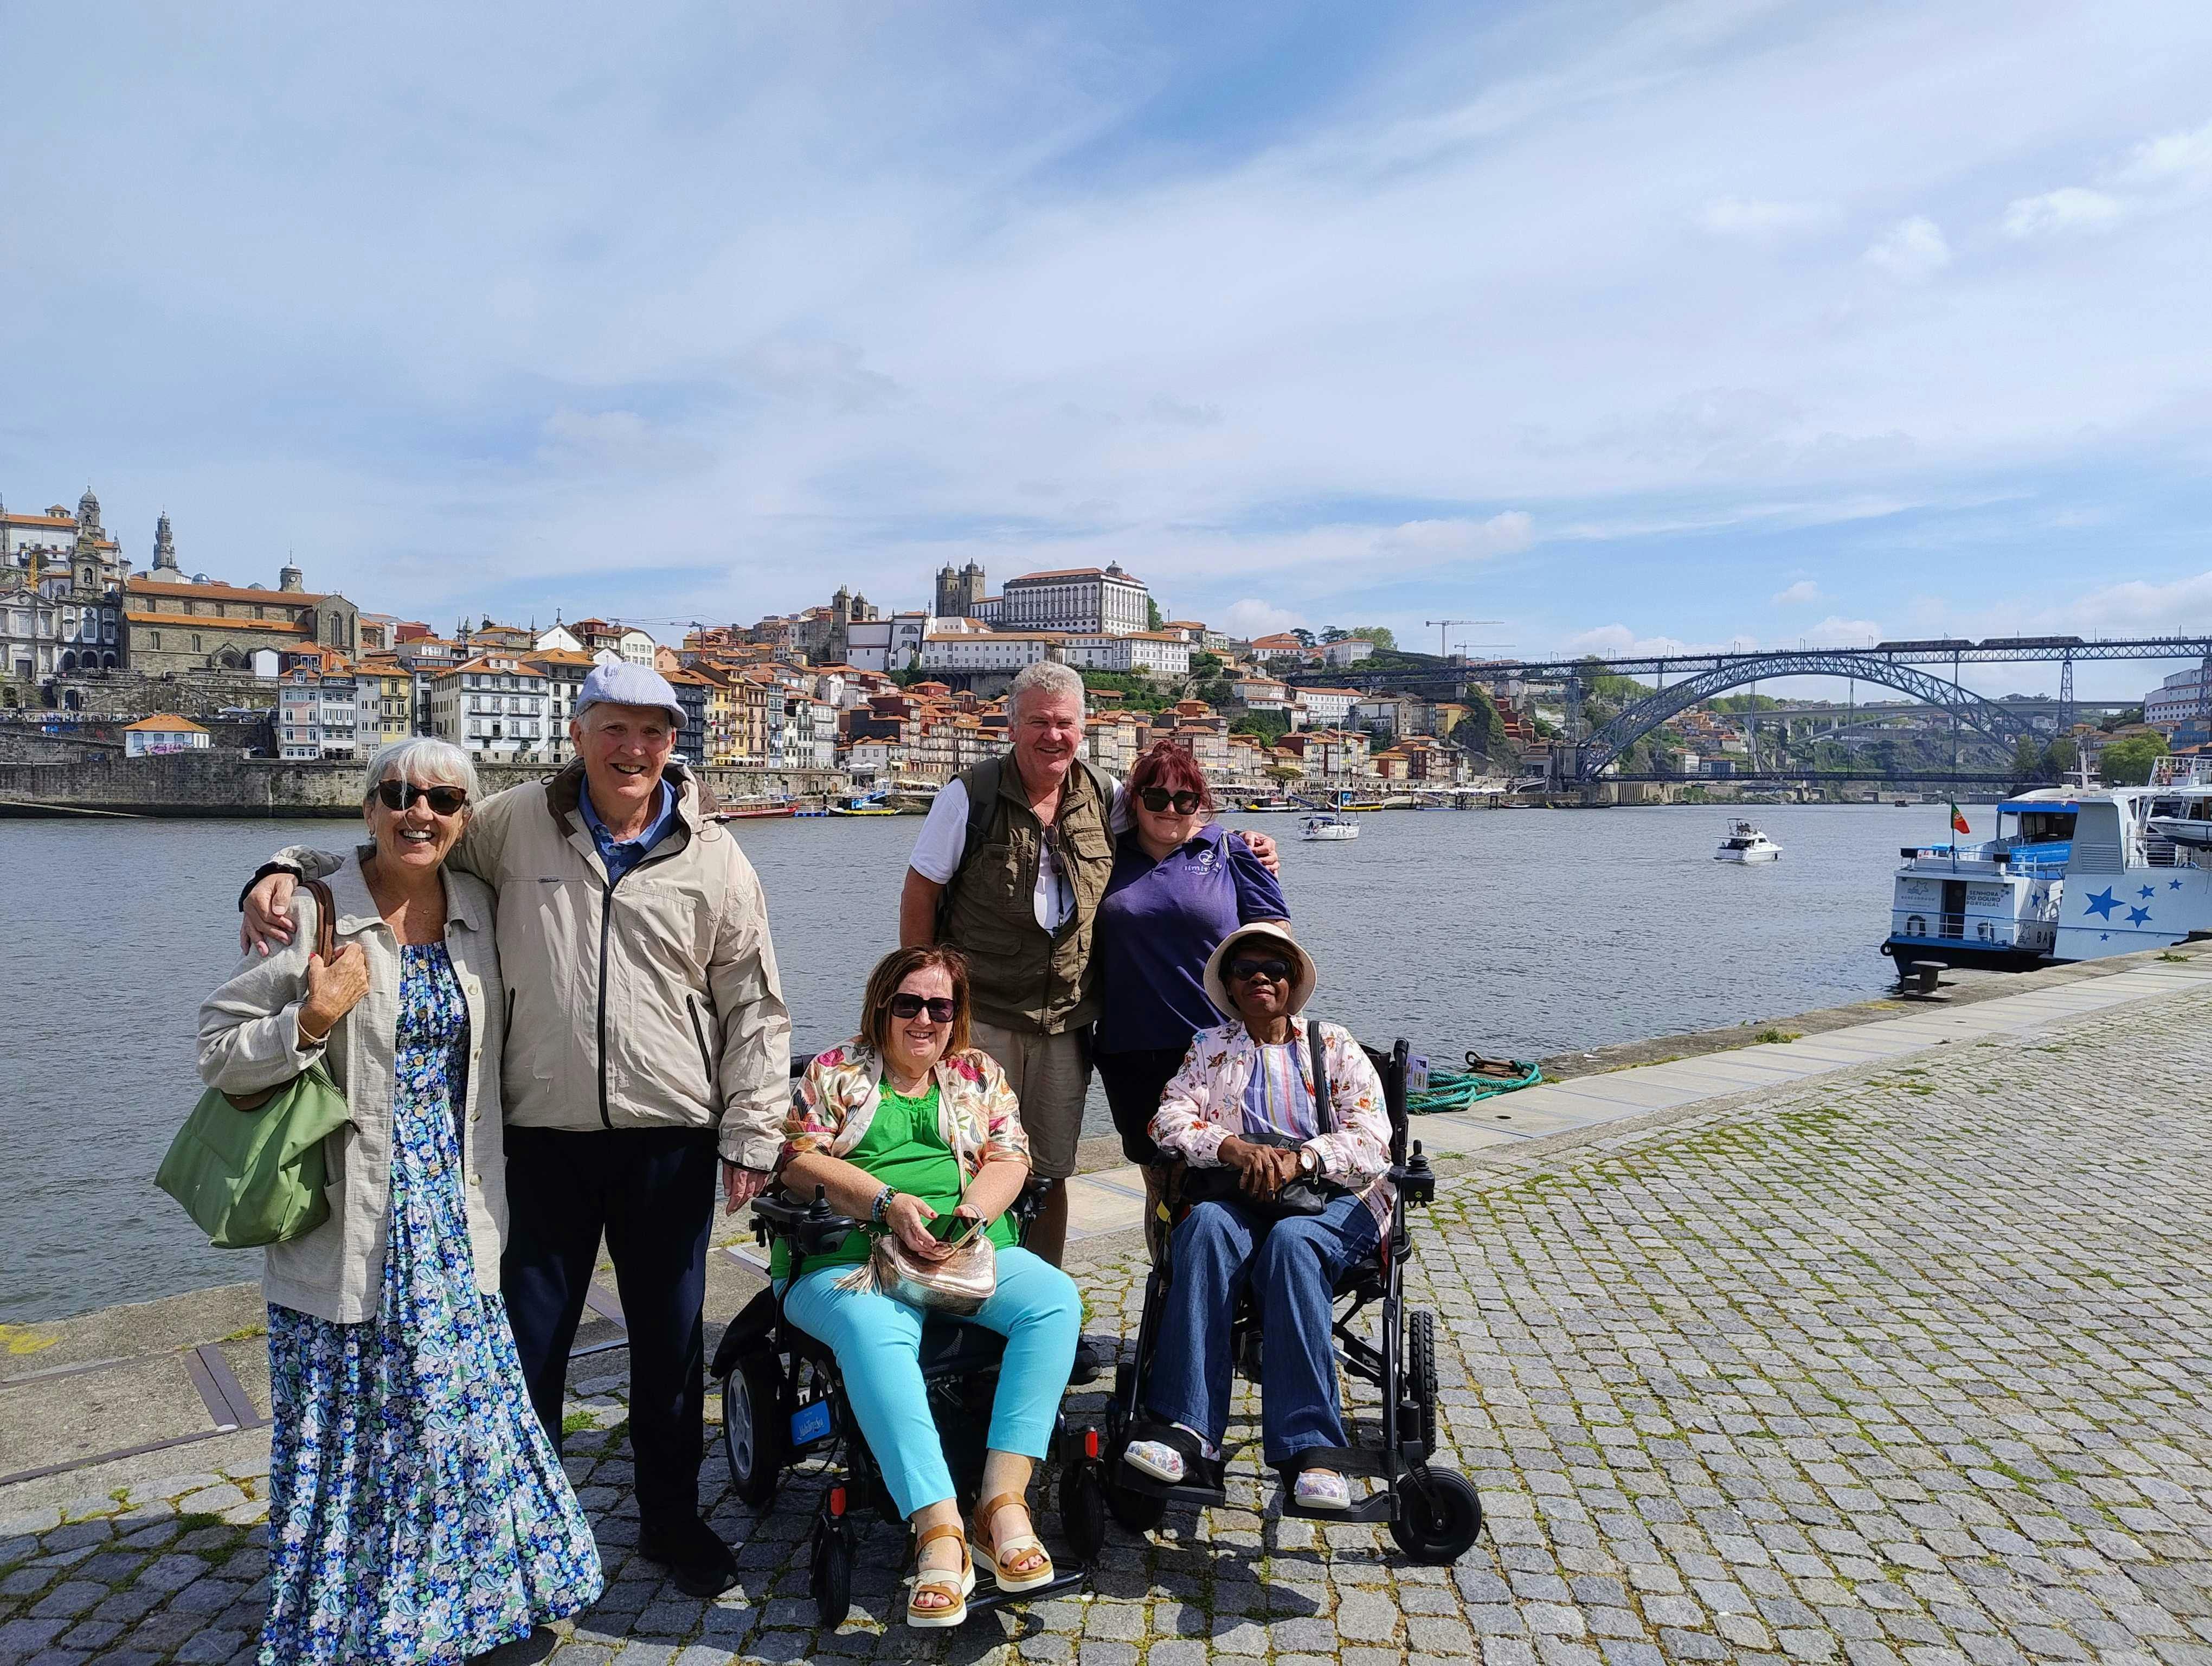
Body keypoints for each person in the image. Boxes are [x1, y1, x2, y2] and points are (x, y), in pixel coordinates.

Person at [237, 662, 789, 1599]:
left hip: (669, 1135)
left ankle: (671, 1519)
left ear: (672, 743)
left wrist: (752, 1130)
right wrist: (283, 870)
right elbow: (406, 843)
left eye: (652, 732)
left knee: (668, 1346)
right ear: (579, 734)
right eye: (615, 728)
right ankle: (517, 1540)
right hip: (537, 1136)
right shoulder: (512, 822)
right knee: (526, 1348)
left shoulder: (716, 856)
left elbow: (755, 1003)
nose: (633, 749)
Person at [199, 739, 602, 1664]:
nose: (420, 812)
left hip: (456, 1215)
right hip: (351, 1217)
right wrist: (309, 1018)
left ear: (465, 818)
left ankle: (477, 1607)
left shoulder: (480, 908)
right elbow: (217, 1047)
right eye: (398, 793)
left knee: (461, 1419)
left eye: (443, 799)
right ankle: (358, 1621)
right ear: (369, 807)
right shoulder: (314, 911)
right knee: (353, 1427)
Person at [898, 661, 1278, 1268]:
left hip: (1068, 1019)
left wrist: (1242, 844)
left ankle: (1041, 1299)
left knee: (1049, 1172)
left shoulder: (1104, 795)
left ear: (1083, 728)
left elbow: (1170, 818)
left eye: (1065, 723)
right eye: (1038, 722)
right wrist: (924, 1000)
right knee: (969, 1162)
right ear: (1011, 726)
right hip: (984, 1014)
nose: (1053, 736)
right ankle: (959, 1290)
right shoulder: (969, 796)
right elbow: (921, 891)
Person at [777, 945, 1081, 1629]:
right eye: (908, 1004)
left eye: (940, 1007)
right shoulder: (837, 1071)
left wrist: (970, 1216)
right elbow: (797, 1160)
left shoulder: (977, 1073)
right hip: (847, 1255)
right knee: (874, 1331)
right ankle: (938, 1528)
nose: (924, 1019)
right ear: (882, 1006)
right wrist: (886, 1204)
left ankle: (1002, 1503)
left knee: (1055, 1301)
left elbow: (1011, 1157)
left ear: (957, 1014)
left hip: (960, 1250)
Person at [1124, 922, 1393, 1513]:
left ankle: (1312, 1449)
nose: (1260, 979)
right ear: (1229, 984)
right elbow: (1167, 1119)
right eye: (1245, 970)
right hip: (1243, 1194)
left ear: (1293, 981)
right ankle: (1186, 1428)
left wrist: (1303, 1159)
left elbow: (1375, 1139)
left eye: (1274, 968)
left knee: (1294, 1244)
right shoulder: (1209, 1047)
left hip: (1335, 1198)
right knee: (1203, 1229)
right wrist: (1231, 1147)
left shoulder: (1333, 1044)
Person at [1091, 740, 1288, 1253]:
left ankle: (1234, 1285)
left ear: (1202, 802)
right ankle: (1167, 1287)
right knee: (1161, 1184)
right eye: (1156, 798)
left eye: (1185, 799)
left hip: (1221, 1048)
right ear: (1134, 800)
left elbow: (1276, 939)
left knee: (1227, 1178)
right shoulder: (1107, 855)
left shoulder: (1231, 850)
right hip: (1132, 1049)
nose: (1171, 810)